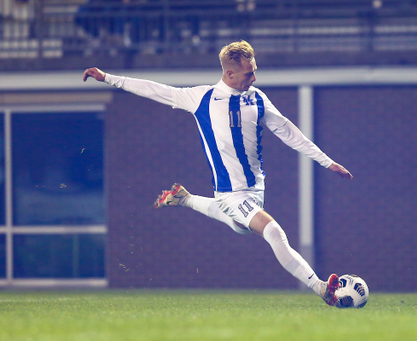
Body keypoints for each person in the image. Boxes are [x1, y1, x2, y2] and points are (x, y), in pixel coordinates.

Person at [83, 40, 353, 308]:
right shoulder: (202, 98)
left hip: (256, 189)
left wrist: (326, 161)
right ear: (229, 73)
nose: (254, 77)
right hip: (231, 194)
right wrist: (108, 78)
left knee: (240, 228)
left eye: (254, 70)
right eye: (249, 73)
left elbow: (287, 130)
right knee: (273, 231)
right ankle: (320, 287)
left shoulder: (257, 98)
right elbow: (154, 90)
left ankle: (184, 198)